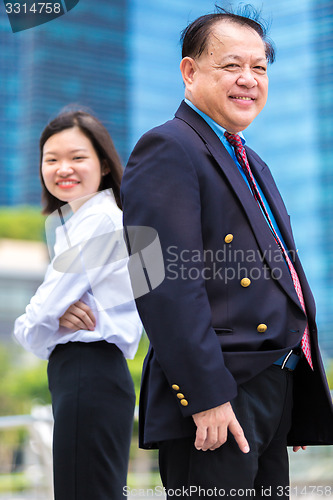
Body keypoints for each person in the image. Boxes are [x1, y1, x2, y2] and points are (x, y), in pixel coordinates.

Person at [121, 6, 333, 499]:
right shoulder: (167, 147)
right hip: (218, 399)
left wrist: (289, 395)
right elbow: (160, 283)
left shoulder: (249, 159)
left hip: (266, 389)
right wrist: (206, 396)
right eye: (231, 65)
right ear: (190, 71)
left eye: (259, 68)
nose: (249, 80)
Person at [14, 110, 142, 500]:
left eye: (77, 157)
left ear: (103, 164)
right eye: (51, 159)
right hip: (91, 376)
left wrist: (41, 323)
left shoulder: (99, 221)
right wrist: (52, 317)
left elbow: (34, 321)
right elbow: (49, 309)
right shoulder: (78, 223)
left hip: (90, 372)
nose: (62, 168)